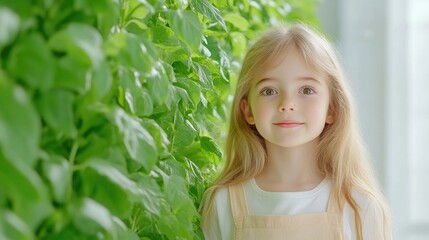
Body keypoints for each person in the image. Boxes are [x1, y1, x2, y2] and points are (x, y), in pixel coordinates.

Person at [200, 22, 391, 240]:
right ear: (248, 111)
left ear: (332, 108)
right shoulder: (223, 202)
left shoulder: (359, 206)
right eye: (269, 90)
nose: (287, 104)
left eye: (307, 90)